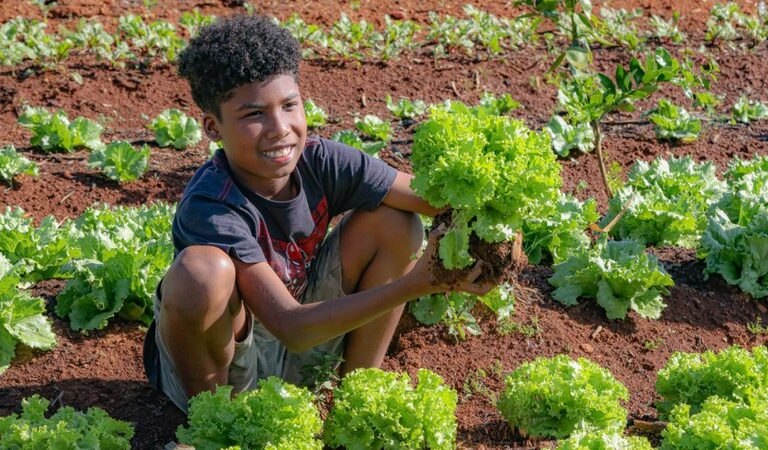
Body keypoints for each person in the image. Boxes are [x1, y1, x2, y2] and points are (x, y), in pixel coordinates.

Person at [142, 14, 494, 412]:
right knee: (201, 273)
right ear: (212, 128)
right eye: (254, 114)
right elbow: (290, 324)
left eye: (289, 105)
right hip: (238, 354)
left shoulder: (321, 160)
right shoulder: (212, 205)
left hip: (302, 340)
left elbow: (429, 198)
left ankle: (355, 398)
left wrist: (495, 210)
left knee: (395, 221)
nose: (280, 128)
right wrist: (417, 284)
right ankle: (215, 421)